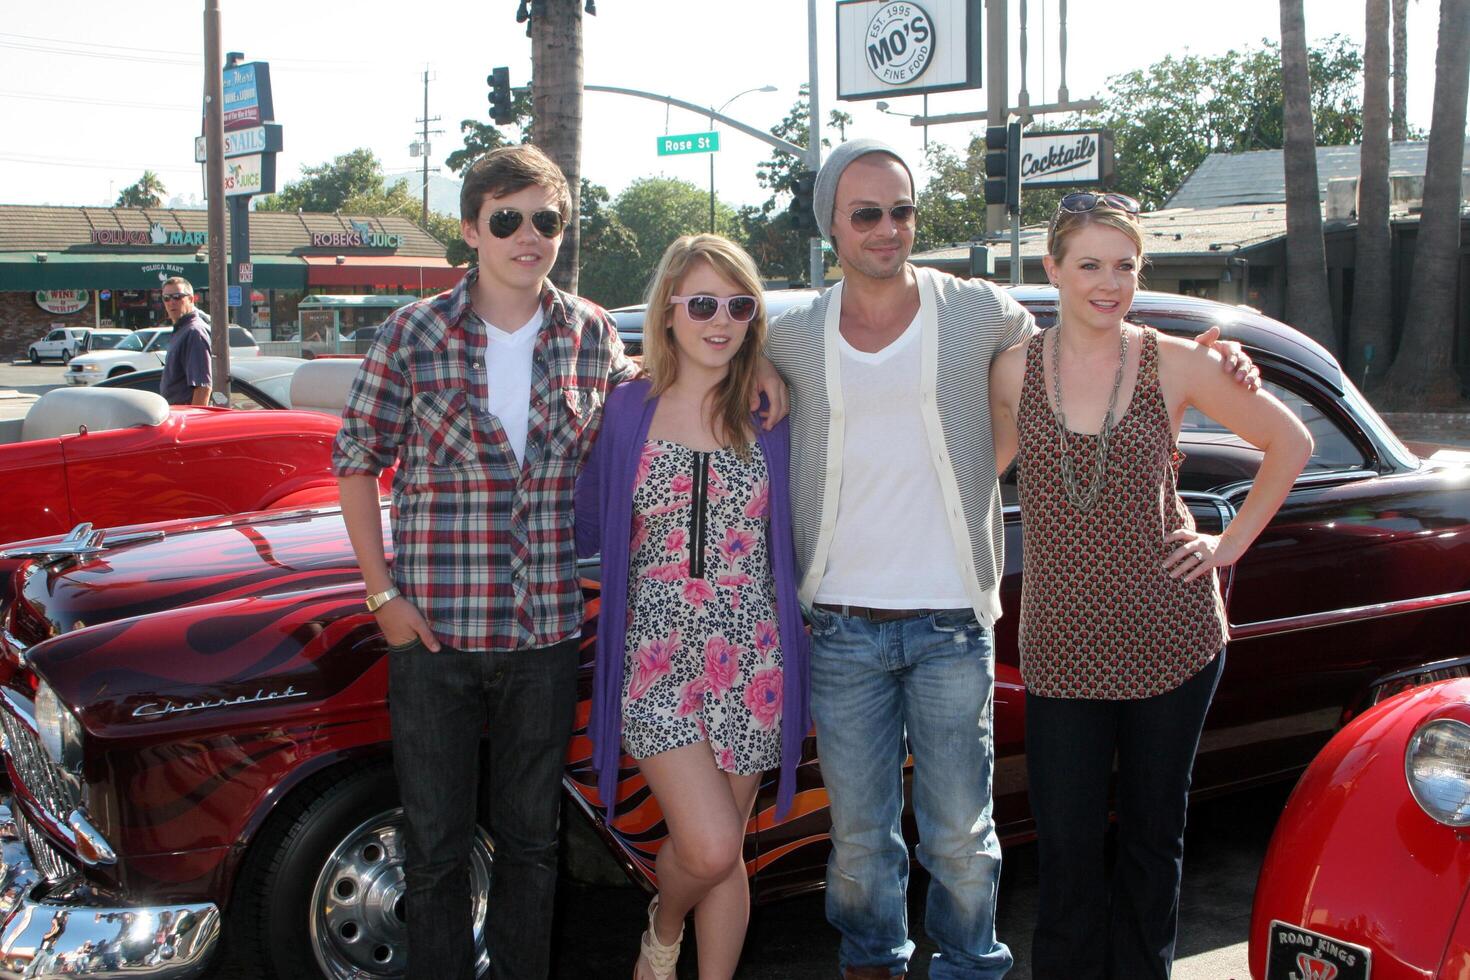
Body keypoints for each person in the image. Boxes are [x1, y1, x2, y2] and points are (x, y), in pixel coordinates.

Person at [765, 140, 1260, 980]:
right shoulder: (790, 333)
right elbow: (697, 361)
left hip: (955, 617)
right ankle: (872, 965)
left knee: (962, 835)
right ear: (831, 227)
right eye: (867, 214)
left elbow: (1090, 342)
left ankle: (968, 970)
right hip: (841, 623)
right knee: (856, 840)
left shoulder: (979, 312)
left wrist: (1214, 364)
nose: (890, 229)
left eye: (903, 211)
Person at [332, 144, 785, 980]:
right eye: (508, 219)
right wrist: (381, 593)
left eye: (545, 219)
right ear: (472, 229)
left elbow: (668, 386)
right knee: (433, 850)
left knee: (533, 847)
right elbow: (355, 458)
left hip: (543, 635)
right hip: (434, 633)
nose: (528, 234)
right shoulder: (414, 332)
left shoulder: (590, 334)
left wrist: (762, 373)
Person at [988, 193, 1311, 979]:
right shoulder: (1011, 369)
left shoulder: (1180, 359)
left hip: (1173, 641)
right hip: (1062, 650)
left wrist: (1225, 544)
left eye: (1125, 266)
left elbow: (1289, 442)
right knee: (1063, 852)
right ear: (1053, 269)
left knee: (1151, 841)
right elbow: (973, 475)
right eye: (1090, 264)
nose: (1109, 283)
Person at [575, 234, 810, 980]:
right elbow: (585, 526)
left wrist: (766, 368)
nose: (721, 321)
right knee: (706, 846)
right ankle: (662, 925)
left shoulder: (769, 410)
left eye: (739, 306)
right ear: (669, 310)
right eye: (703, 303)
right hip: (656, 655)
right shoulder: (626, 412)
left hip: (753, 658)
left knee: (727, 853)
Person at [158, 277, 211, 406]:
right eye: (166, 298)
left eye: (177, 296)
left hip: (186, 419)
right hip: (174, 414)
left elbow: (203, 387)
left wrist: (193, 423)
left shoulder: (194, 332)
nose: (171, 302)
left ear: (191, 299)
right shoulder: (181, 330)